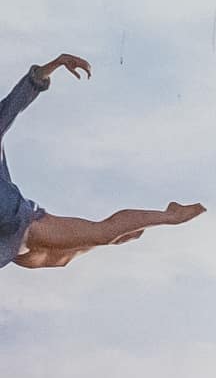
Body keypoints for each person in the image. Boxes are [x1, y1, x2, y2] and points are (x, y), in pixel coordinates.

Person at [0, 55, 202, 271]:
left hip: (20, 225)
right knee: (59, 259)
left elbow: (17, 100)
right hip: (11, 242)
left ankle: (170, 215)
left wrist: (55, 64)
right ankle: (112, 237)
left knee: (103, 234)